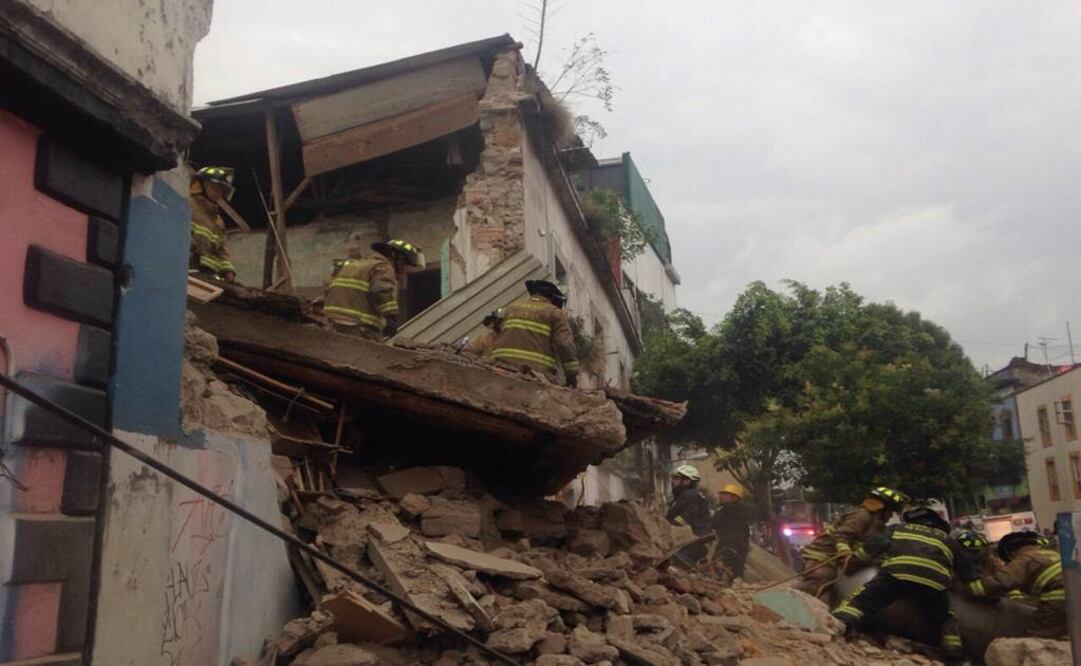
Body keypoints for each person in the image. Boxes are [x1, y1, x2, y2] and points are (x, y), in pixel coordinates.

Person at [833, 507, 973, 665]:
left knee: (862, 602)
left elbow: (876, 544)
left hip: (897, 575)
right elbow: (968, 572)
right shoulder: (948, 540)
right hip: (933, 582)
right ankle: (954, 657)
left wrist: (853, 562)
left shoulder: (897, 528)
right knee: (945, 619)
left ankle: (840, 624)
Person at [796, 486, 909, 600]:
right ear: (882, 508)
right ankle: (791, 600)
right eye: (890, 512)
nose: (890, 516)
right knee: (822, 577)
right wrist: (845, 552)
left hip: (841, 561)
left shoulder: (878, 525)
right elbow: (841, 535)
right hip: (824, 554)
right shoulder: (862, 516)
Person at [965, 531, 1066, 638]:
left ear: (1011, 553)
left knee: (1039, 636)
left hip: (1058, 598)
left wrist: (972, 589)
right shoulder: (1052, 554)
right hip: (1075, 594)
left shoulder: (1024, 559)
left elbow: (1003, 581)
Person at [323, 239, 425, 341]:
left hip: (333, 322)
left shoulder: (357, 265)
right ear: (398, 258)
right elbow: (382, 291)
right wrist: (391, 317)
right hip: (356, 325)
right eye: (404, 265)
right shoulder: (383, 267)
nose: (402, 272)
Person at [490, 280, 579, 387]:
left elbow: (498, 333)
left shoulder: (512, 307)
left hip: (501, 364)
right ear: (555, 299)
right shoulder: (555, 313)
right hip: (535, 371)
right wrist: (571, 375)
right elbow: (564, 344)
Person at [189, 166, 238, 282]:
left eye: (221, 190)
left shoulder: (218, 221)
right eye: (214, 188)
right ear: (199, 186)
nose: (218, 193)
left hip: (210, 276)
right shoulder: (187, 206)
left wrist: (228, 272)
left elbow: (221, 250)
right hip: (189, 270)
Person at [665, 465, 713, 568]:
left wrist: (669, 526)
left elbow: (686, 517)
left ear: (686, 481)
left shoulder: (690, 496)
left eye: (676, 478)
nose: (672, 481)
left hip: (694, 540)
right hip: (694, 539)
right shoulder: (685, 496)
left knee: (676, 561)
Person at [711, 483, 751, 579]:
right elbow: (746, 530)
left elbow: (714, 523)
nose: (722, 496)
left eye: (726, 494)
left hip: (726, 543)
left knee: (717, 565)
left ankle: (724, 587)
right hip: (741, 545)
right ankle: (737, 588)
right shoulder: (744, 510)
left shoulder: (722, 509)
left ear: (734, 497)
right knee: (737, 570)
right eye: (723, 494)